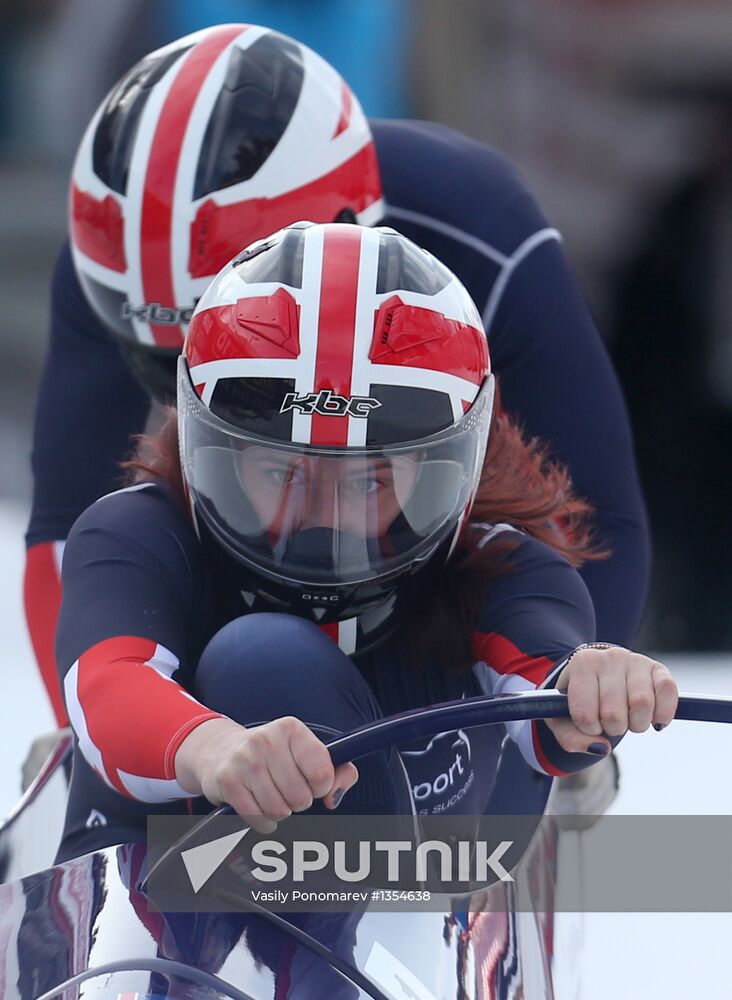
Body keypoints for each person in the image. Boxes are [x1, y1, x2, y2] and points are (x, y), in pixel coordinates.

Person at [25, 24, 649, 739]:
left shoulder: (478, 218)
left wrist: (572, 702)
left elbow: (595, 513)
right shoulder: (115, 249)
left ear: (346, 219)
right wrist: (88, 728)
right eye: (160, 352)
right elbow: (64, 528)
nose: (185, 370)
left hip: (427, 603)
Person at [54, 222, 676, 862]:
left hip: (420, 905)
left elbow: (546, 679)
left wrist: (586, 685)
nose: (323, 520)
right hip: (165, 890)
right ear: (209, 449)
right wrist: (208, 748)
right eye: (281, 473)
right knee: (263, 658)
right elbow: (110, 680)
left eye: (370, 482)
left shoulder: (503, 569)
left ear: (444, 473)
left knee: (264, 658)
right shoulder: (134, 535)